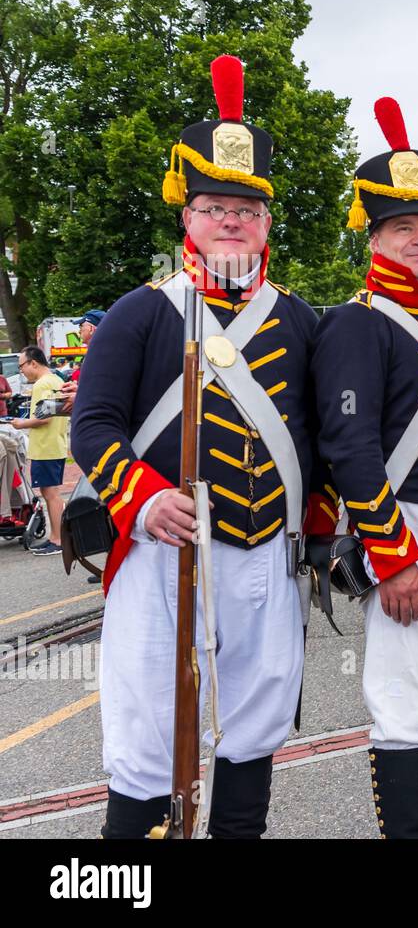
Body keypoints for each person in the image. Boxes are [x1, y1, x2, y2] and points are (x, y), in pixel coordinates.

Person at [70, 55, 335, 838]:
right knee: (150, 738)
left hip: (264, 560)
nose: (231, 219)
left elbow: (317, 438)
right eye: (215, 205)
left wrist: (317, 528)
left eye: (246, 208)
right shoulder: (142, 312)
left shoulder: (298, 319)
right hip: (162, 555)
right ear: (187, 216)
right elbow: (94, 424)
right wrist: (143, 497)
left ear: (266, 222)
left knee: (252, 733)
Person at [312, 97, 418, 838]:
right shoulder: (359, 318)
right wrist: (392, 551)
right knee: (403, 695)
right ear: (374, 235)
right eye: (403, 227)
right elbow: (350, 446)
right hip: (405, 528)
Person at [10, 346, 69, 555]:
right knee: (50, 492)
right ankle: (57, 537)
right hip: (54, 445)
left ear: (33, 363)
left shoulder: (42, 384)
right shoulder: (55, 380)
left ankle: (58, 540)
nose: (22, 371)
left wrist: (20, 423)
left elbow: (44, 418)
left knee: (51, 493)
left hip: (46, 447)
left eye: (22, 366)